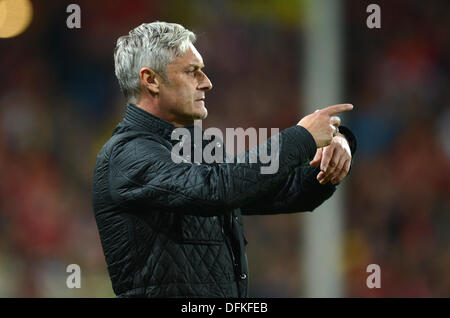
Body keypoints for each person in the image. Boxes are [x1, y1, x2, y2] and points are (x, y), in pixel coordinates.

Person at [92, 21, 357, 298]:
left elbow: (291, 192)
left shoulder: (196, 150)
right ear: (151, 80)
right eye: (192, 72)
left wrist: (336, 148)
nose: (206, 82)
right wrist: (301, 137)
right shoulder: (126, 154)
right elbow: (216, 190)